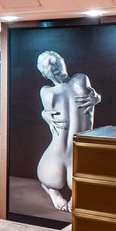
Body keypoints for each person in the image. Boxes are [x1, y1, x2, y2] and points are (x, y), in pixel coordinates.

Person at [36, 51, 101, 211]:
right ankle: (55, 192)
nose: (56, 70)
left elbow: (92, 95)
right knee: (55, 180)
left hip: (68, 154)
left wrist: (97, 97)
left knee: (82, 179)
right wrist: (43, 113)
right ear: (45, 75)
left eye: (57, 66)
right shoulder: (51, 90)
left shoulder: (77, 80)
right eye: (53, 69)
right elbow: (49, 111)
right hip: (63, 154)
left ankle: (64, 192)